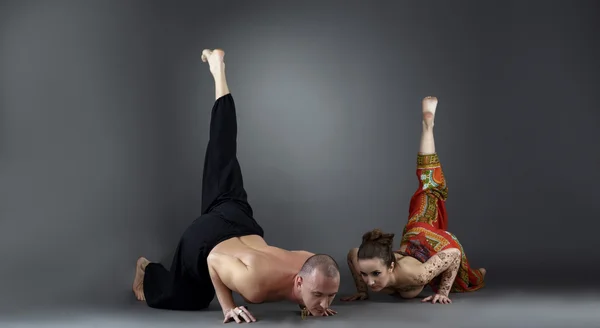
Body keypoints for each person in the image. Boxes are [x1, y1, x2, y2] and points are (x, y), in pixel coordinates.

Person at [132, 48, 340, 323]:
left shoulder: (313, 263)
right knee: (185, 298)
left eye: (328, 295)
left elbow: (318, 277)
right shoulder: (256, 287)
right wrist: (228, 305)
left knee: (223, 147)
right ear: (299, 283)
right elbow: (213, 261)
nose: (324, 302)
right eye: (318, 295)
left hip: (237, 216)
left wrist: (312, 303)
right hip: (205, 240)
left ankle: (219, 69)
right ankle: (146, 271)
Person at [341, 96, 486, 305]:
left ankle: (428, 127)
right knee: (429, 187)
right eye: (365, 275)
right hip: (413, 235)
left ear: (390, 267)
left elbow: (453, 254)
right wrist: (361, 290)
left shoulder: (418, 275)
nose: (370, 282)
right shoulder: (362, 260)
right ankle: (428, 128)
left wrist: (443, 293)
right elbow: (352, 254)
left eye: (375, 274)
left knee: (431, 188)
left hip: (433, 243)